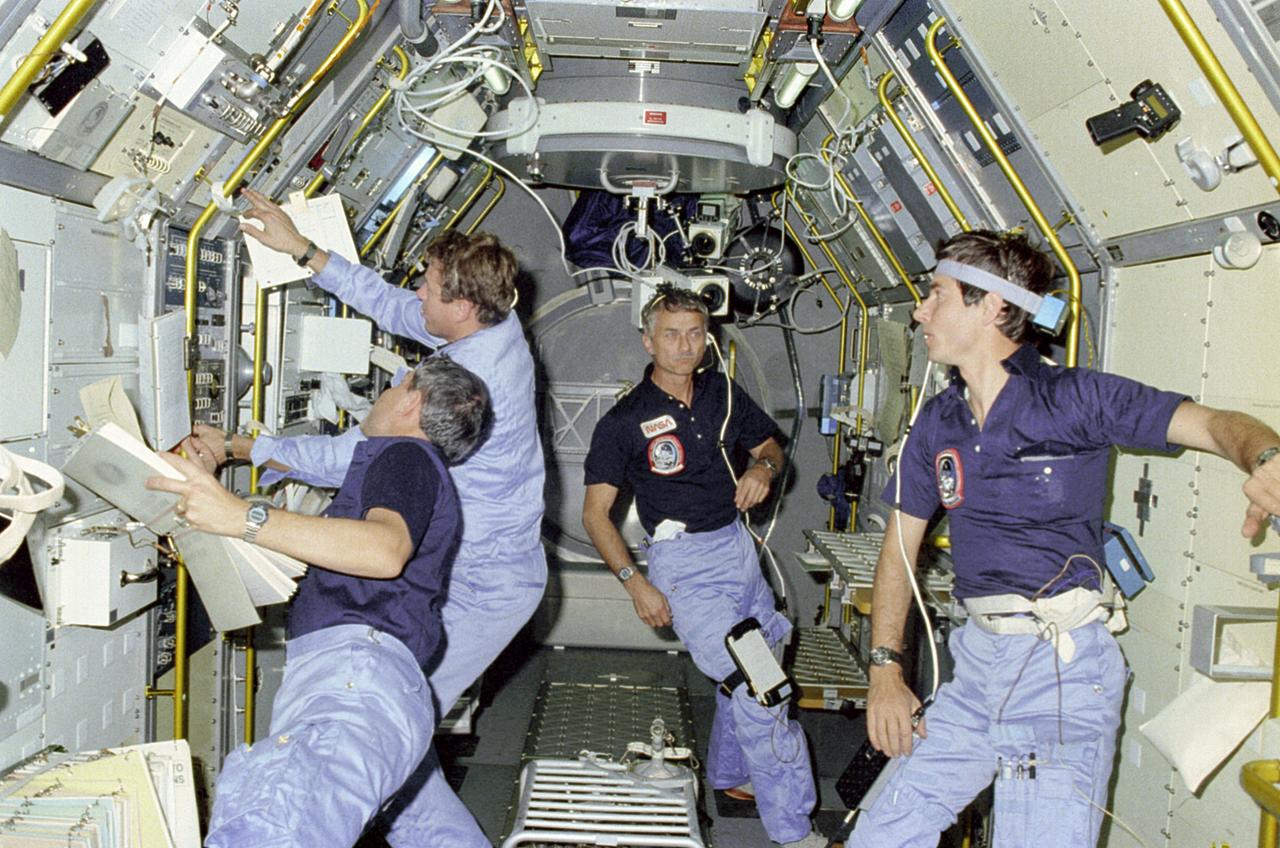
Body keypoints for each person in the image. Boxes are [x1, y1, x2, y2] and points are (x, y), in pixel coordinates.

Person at [850, 230, 1280, 847]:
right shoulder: (937, 423)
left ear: (993, 307)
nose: (919, 310)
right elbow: (898, 551)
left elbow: (1213, 426)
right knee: (881, 835)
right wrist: (885, 670)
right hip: (977, 669)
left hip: (1059, 672)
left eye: (935, 295)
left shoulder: (1075, 398)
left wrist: (1264, 455)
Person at [187, 186, 546, 847]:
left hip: (485, 587)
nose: (417, 299)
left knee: (384, 739)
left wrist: (242, 451)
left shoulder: (454, 404)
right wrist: (304, 250)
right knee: (397, 753)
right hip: (477, 569)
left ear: (463, 307)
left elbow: (347, 456)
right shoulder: (491, 324)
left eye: (429, 289)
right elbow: (399, 309)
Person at [148, 357, 490, 847]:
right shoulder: (405, 465)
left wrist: (240, 516)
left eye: (394, 386)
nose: (382, 395)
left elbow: (382, 550)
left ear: (412, 400)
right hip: (380, 689)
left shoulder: (406, 457)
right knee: (431, 831)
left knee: (270, 830)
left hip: (354, 685)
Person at [581, 288, 825, 848]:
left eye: (695, 332)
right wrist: (634, 583)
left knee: (754, 658)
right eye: (671, 334)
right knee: (760, 685)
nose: (685, 345)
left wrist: (762, 468)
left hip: (738, 550)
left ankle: (732, 773)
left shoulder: (722, 392)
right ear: (648, 340)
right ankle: (793, 830)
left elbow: (769, 445)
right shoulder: (625, 420)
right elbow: (595, 515)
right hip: (683, 565)